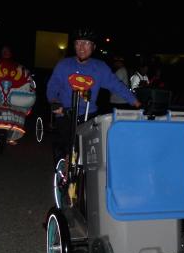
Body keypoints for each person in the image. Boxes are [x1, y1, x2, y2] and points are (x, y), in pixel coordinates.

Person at [47, 27, 141, 163]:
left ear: (93, 46)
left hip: (88, 115)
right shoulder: (64, 65)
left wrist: (135, 102)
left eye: (86, 43)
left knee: (90, 153)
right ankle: (62, 174)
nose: (81, 47)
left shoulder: (100, 67)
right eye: (78, 43)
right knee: (64, 148)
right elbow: (53, 85)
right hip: (65, 113)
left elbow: (116, 85)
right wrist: (54, 100)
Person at [0, 44, 35, 143]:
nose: (6, 52)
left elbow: (30, 92)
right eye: (4, 50)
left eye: (7, 50)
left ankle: (11, 135)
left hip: (10, 104)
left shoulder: (22, 69)